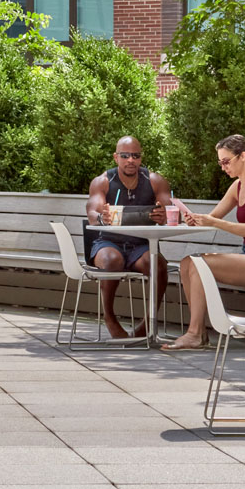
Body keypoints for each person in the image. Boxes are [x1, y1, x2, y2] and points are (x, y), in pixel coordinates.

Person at [165, 134, 245, 350]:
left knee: (199, 264)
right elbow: (213, 217)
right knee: (186, 263)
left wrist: (214, 222)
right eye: (220, 163)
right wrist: (195, 220)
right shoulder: (237, 186)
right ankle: (198, 333)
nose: (223, 168)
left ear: (243, 157)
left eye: (226, 161)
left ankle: (194, 334)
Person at [85, 135, 174, 337]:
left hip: (141, 245)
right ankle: (109, 317)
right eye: (125, 156)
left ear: (141, 158)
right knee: (112, 260)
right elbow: (92, 214)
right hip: (108, 242)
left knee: (158, 264)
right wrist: (102, 217)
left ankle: (148, 323)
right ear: (116, 157)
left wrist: (163, 216)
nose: (131, 160)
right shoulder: (103, 181)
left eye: (136, 155)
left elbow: (171, 212)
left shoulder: (155, 181)